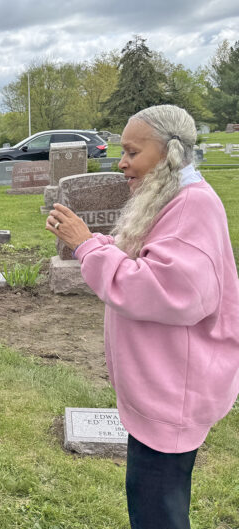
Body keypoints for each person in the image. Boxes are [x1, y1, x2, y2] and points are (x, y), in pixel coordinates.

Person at [47, 104, 239, 529]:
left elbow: (165, 291)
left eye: (133, 152)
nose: (122, 163)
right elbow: (149, 259)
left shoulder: (192, 207)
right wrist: (94, 240)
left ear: (169, 153)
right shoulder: (175, 197)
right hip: (164, 390)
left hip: (173, 394)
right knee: (153, 506)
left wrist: (86, 247)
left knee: (157, 514)